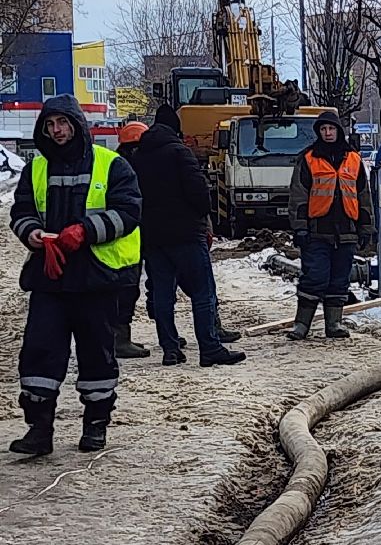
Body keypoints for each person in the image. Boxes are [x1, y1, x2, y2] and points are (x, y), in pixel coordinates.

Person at [8, 95, 142, 455]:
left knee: (96, 353)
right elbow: (21, 211)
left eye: (62, 123)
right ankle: (39, 429)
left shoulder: (111, 164)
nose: (57, 131)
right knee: (39, 352)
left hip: (95, 277)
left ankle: (95, 425)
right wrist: (32, 232)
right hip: (49, 277)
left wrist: (86, 231)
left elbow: (129, 211)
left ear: (77, 125)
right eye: (50, 125)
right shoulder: (36, 168)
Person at [129, 106, 246, 368]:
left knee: (162, 294)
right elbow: (200, 195)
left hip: (153, 238)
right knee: (202, 292)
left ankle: (170, 349)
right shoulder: (180, 153)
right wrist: (202, 217)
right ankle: (210, 347)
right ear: (175, 128)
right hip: (186, 235)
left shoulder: (138, 158)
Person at [286, 111, 374, 339]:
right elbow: (298, 196)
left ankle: (333, 324)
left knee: (339, 280)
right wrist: (300, 227)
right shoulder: (308, 158)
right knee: (314, 277)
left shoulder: (353, 159)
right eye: (323, 129)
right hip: (317, 231)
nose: (327, 133)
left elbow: (363, 197)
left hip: (346, 231)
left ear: (338, 131)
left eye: (331, 129)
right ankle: (301, 325)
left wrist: (366, 228)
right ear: (319, 132)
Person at [114, 120, 152, 359]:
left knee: (125, 290)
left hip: (125, 239)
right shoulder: (131, 167)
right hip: (127, 242)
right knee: (126, 291)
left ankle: (121, 338)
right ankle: (119, 340)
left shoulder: (118, 164)